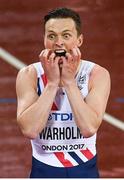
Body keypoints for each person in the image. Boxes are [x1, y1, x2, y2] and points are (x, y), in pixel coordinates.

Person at [16, 7, 111, 178]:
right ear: (44, 39)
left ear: (79, 40)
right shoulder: (29, 74)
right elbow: (30, 130)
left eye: (66, 35)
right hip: (44, 169)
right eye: (51, 36)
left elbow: (89, 128)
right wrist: (52, 84)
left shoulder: (96, 74)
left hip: (84, 168)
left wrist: (68, 83)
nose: (58, 42)